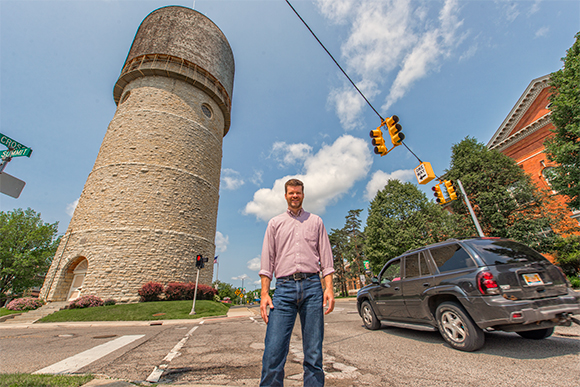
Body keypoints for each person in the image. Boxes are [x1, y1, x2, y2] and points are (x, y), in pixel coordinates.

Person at [259, 178, 335, 387]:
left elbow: (326, 259)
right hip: (283, 289)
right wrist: (265, 293)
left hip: (312, 287)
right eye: (291, 193)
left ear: (303, 195)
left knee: (313, 352)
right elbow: (267, 262)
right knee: (273, 351)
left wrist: (328, 288)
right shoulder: (275, 223)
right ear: (285, 196)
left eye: (298, 193)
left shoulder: (316, 221)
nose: (295, 196)